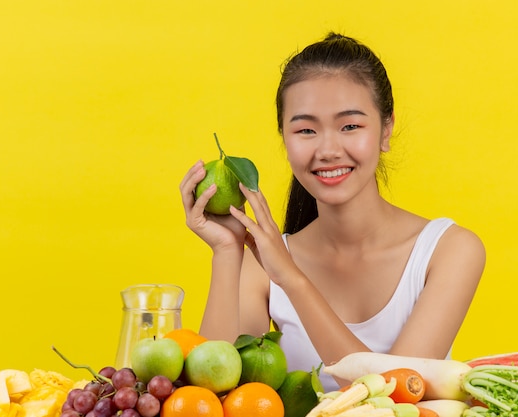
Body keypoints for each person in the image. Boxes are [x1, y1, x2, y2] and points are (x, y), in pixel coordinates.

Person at [179, 33, 485, 391]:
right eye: (306, 129)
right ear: (285, 139)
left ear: (386, 129)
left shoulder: (449, 250)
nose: (327, 149)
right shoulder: (263, 263)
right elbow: (209, 397)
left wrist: (292, 279)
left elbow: (396, 396)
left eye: (350, 126)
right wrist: (227, 251)